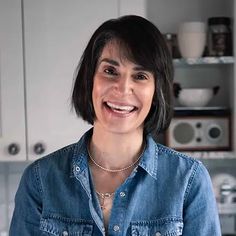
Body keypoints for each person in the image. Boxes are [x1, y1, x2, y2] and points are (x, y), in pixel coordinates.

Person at [10, 15, 221, 235]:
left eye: (140, 76)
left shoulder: (189, 181)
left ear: (156, 92)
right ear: (89, 79)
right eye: (110, 71)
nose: (122, 88)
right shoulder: (40, 180)